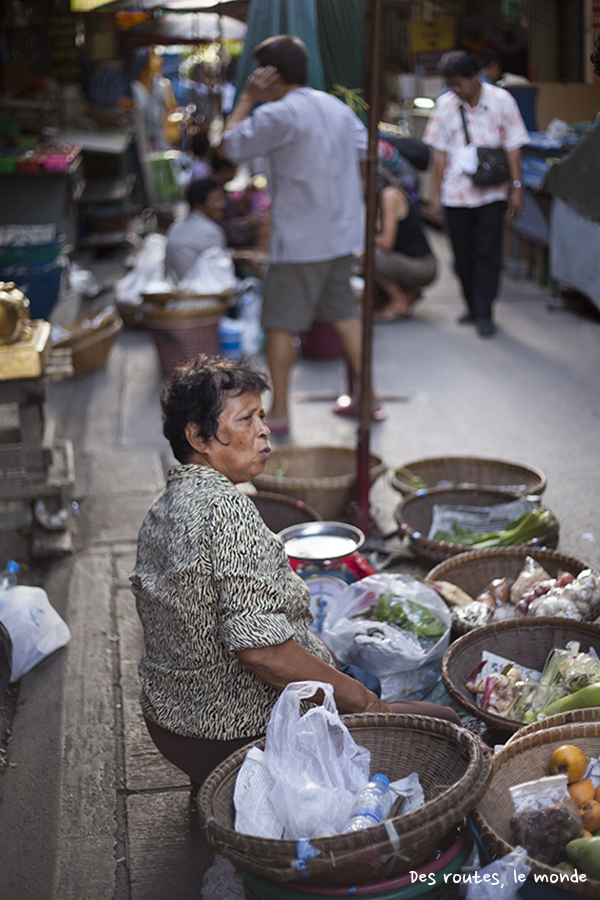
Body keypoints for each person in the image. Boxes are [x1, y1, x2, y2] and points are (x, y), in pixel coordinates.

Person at [130, 356, 461, 788]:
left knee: (359, 674)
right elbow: (260, 651)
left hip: (171, 721)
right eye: (246, 419)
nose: (264, 430)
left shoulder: (165, 505)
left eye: (262, 416)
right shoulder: (227, 509)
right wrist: (363, 703)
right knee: (445, 725)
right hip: (228, 730)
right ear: (198, 436)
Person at [222, 34, 378, 434]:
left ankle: (279, 413)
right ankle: (369, 397)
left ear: (269, 74)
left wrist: (245, 99)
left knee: (281, 325)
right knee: (345, 315)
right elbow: (366, 151)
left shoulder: (278, 114)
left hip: (301, 241)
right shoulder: (334, 107)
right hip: (340, 233)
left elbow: (229, 146)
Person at [423, 50, 529, 337]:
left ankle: (486, 312)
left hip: (492, 193)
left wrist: (516, 189)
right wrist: (435, 197)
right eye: (450, 84)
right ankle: (472, 306)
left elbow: (514, 146)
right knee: (463, 255)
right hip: (455, 194)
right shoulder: (445, 105)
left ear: (474, 77)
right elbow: (439, 155)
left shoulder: (501, 101)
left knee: (488, 254)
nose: (455, 90)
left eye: (459, 83)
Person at [372, 173, 437, 321]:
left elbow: (386, 243)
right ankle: (407, 293)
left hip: (422, 266)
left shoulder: (390, 195)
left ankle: (399, 300)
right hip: (411, 262)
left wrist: (360, 236)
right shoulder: (388, 194)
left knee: (370, 257)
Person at [164, 177, 226, 283]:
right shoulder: (211, 231)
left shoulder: (176, 226)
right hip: (203, 290)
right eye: (216, 200)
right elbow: (220, 269)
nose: (222, 205)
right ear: (199, 204)